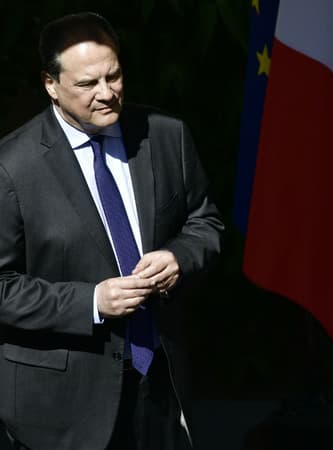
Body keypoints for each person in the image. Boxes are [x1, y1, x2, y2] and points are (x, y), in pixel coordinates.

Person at [0, 12, 223, 450]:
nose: (106, 94)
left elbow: (206, 222)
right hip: (62, 408)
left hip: (159, 384)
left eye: (114, 76)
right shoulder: (12, 167)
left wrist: (179, 255)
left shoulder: (165, 136)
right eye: (87, 84)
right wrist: (92, 301)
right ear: (51, 84)